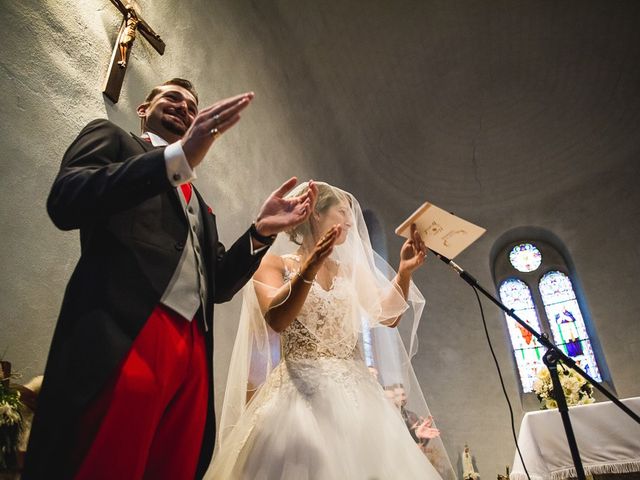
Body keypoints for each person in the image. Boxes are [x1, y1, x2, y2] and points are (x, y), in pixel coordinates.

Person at [23, 78, 317, 480]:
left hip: (193, 351)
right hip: (126, 333)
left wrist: (261, 232)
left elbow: (220, 286)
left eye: (193, 106)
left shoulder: (201, 206)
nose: (184, 107)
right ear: (144, 109)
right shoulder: (112, 139)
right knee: (105, 461)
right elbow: (66, 200)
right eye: (172, 98)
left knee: (170, 465)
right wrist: (173, 161)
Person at [206, 182, 456, 479]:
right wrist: (309, 268)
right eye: (342, 212)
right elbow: (277, 319)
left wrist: (404, 273)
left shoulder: (350, 272)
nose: (351, 222)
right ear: (315, 214)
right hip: (299, 396)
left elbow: (387, 316)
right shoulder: (272, 264)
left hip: (357, 393)